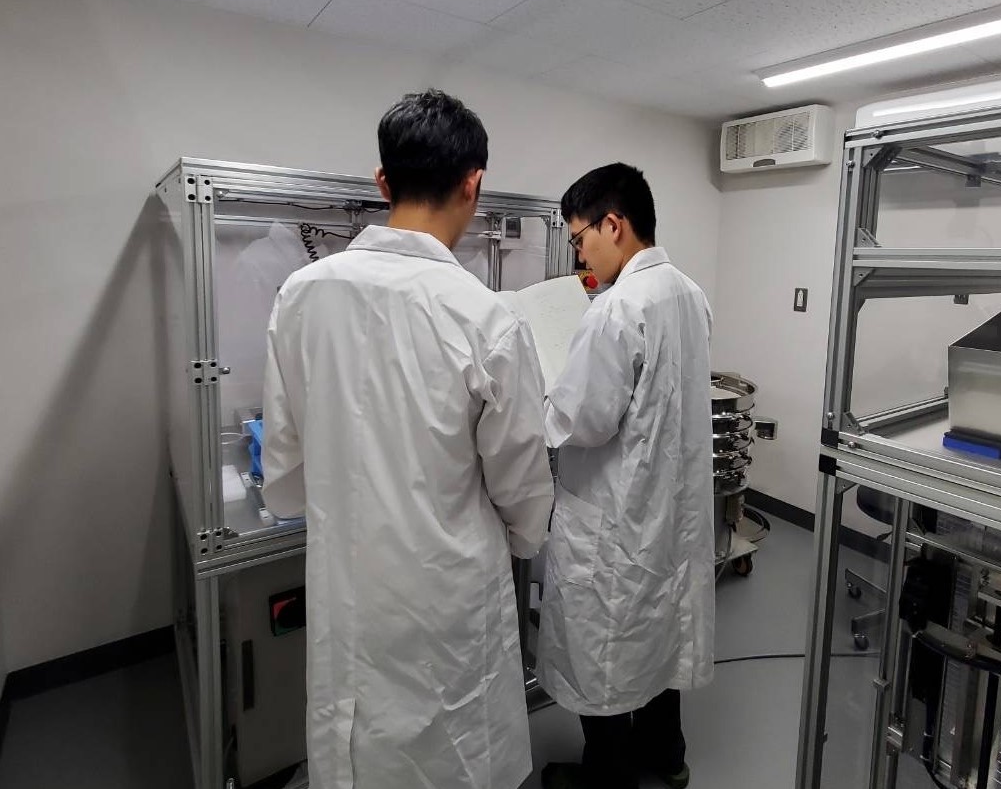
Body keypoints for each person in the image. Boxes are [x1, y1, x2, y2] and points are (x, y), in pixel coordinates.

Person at [260, 89, 555, 789]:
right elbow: (521, 486)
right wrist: (523, 538)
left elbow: (286, 479)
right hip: (449, 594)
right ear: (474, 183)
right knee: (457, 753)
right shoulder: (487, 317)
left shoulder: (301, 295)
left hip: (349, 586)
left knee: (358, 752)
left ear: (382, 182)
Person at [535, 163, 715, 789]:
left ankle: (607, 777)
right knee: (660, 628)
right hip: (669, 505)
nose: (579, 254)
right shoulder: (689, 293)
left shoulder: (616, 308)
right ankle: (665, 755)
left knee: (604, 643)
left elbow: (584, 420)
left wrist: (542, 397)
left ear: (613, 225)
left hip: (615, 513)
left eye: (579, 237)